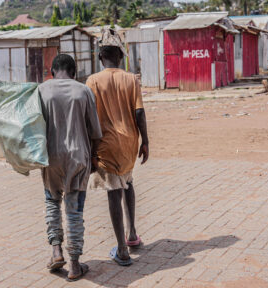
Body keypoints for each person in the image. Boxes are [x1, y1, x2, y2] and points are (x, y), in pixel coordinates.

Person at [86, 29, 149, 266]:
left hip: (106, 145)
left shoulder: (92, 81)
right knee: (128, 181)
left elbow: (89, 118)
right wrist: (146, 142)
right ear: (120, 57)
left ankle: (122, 249)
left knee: (114, 190)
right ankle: (132, 234)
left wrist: (91, 151)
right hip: (129, 144)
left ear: (100, 57)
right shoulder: (132, 79)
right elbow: (139, 112)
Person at [39, 54, 102, 281]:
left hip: (50, 156)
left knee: (52, 201)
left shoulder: (42, 90)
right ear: (74, 72)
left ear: (53, 71)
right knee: (74, 209)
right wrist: (94, 158)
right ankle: (75, 264)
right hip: (78, 156)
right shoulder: (83, 91)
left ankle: (56, 251)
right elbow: (95, 131)